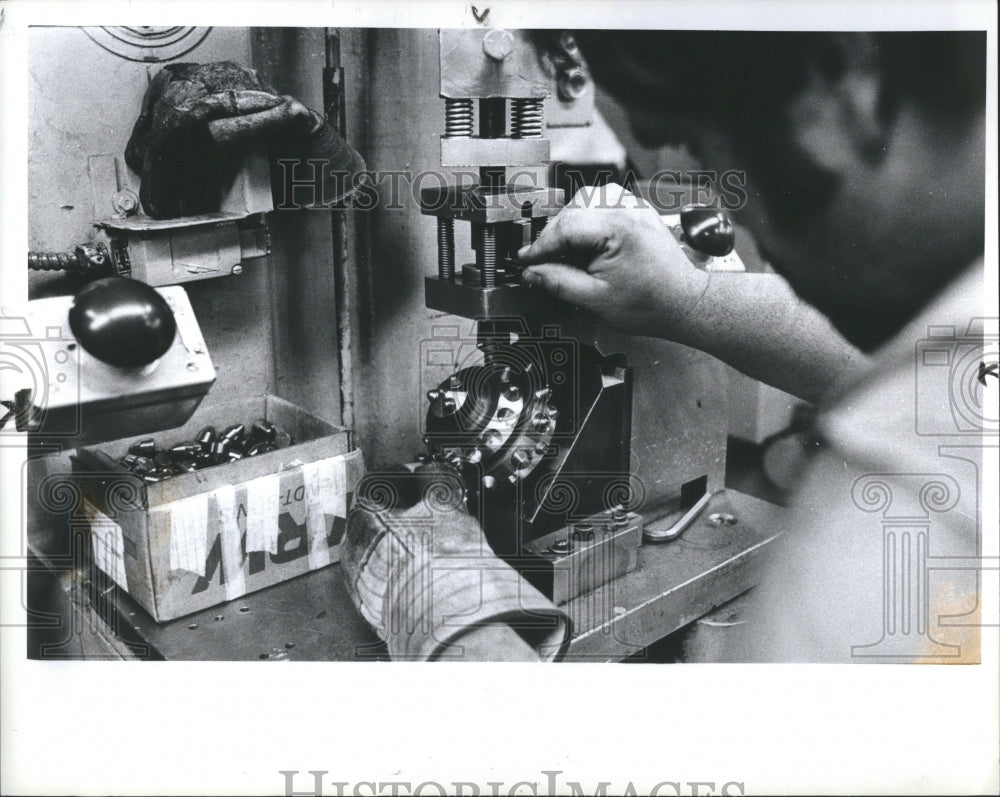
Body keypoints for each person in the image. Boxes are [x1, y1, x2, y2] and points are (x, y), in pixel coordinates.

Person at [516, 31, 988, 662]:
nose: (737, 219)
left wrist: (453, 617)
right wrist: (688, 296)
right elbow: (918, 371)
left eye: (699, 149)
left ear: (844, 85)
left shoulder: (884, 543)